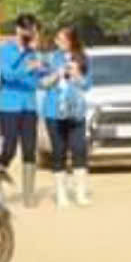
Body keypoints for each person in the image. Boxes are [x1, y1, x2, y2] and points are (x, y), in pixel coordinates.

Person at [0, 15, 50, 205]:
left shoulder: (33, 52)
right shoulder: (5, 49)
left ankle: (28, 195)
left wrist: (46, 69)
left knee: (29, 148)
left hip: (29, 105)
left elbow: (39, 77)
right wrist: (27, 63)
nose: (30, 34)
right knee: (9, 147)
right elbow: (8, 75)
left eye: (33, 30)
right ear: (18, 29)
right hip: (9, 105)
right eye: (27, 30)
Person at [43, 26, 93, 207]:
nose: (58, 42)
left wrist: (77, 74)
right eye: (57, 39)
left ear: (72, 41)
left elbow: (87, 85)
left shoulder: (83, 58)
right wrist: (56, 74)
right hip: (53, 111)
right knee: (59, 152)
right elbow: (42, 83)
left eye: (61, 39)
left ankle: (80, 193)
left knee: (79, 149)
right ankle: (61, 194)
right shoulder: (50, 58)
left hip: (76, 111)